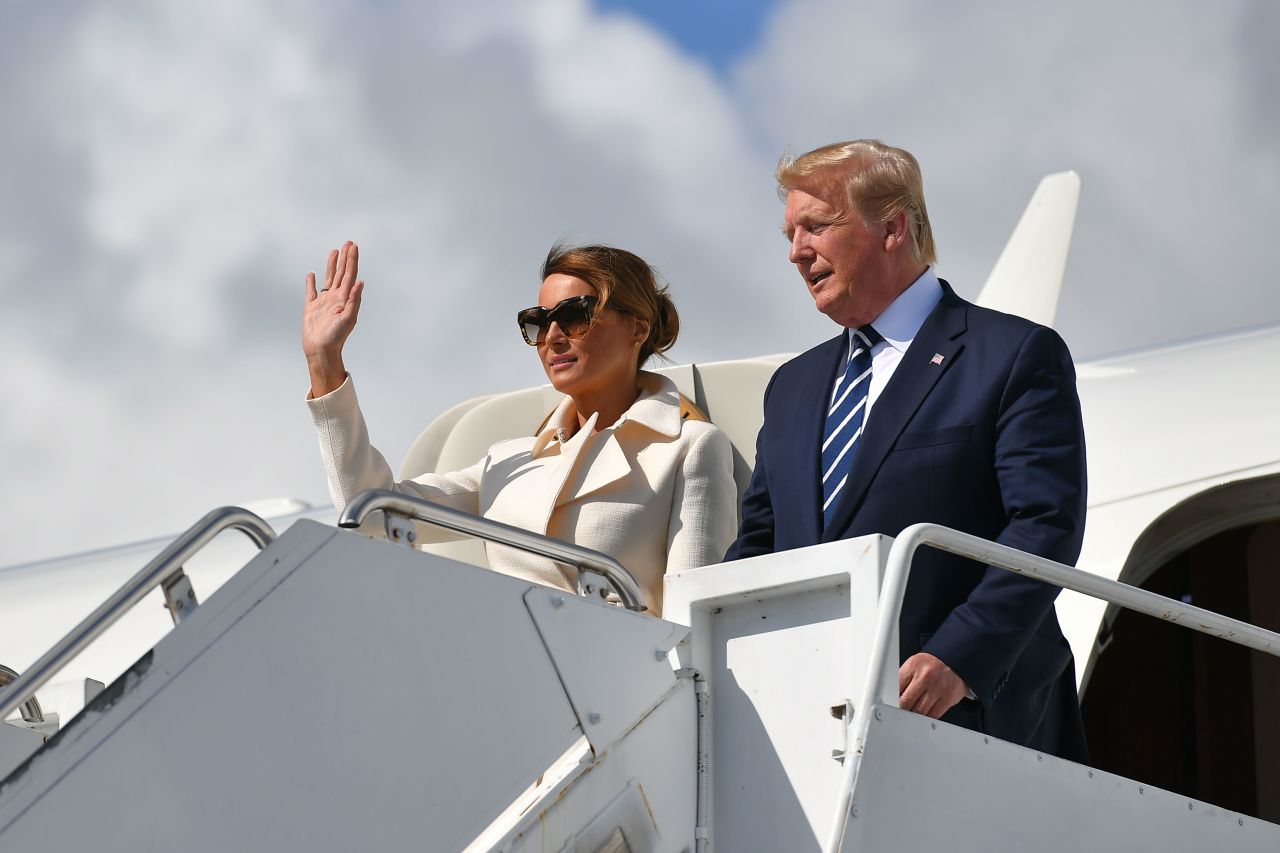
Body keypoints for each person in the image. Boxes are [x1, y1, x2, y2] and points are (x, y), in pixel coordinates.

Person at [727, 140, 1089, 762]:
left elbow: (1044, 525)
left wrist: (959, 656)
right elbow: (760, 543)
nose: (796, 252)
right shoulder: (793, 387)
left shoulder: (1013, 354)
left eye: (816, 226)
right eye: (790, 233)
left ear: (892, 226)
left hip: (970, 719)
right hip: (810, 727)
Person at [303, 240, 738, 615]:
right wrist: (325, 363)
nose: (551, 336)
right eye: (538, 321)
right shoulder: (507, 462)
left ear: (638, 327)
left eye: (573, 315)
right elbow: (370, 513)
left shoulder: (689, 448)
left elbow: (696, 623)